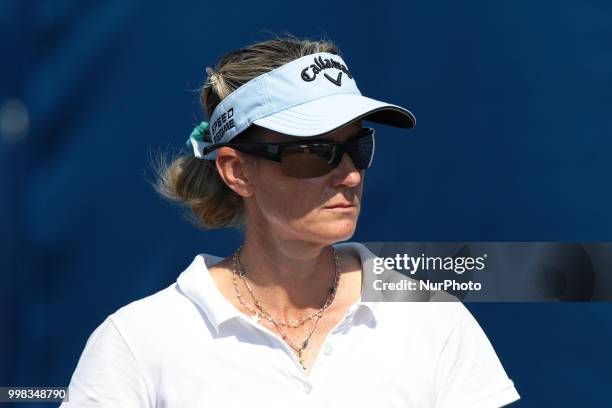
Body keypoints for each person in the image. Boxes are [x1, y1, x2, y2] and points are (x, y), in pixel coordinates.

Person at [60, 35, 521, 407]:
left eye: (358, 146)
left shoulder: (430, 317)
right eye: (315, 152)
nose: (351, 173)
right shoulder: (138, 342)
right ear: (237, 171)